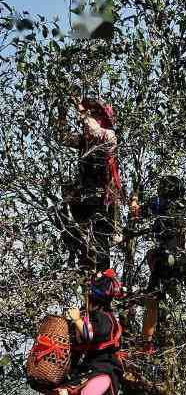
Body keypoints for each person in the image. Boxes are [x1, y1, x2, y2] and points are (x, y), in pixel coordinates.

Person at [129, 175, 186, 353]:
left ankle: (147, 344)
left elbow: (135, 213)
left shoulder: (158, 202)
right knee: (153, 258)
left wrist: (134, 197)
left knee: (152, 300)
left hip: (167, 259)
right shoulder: (183, 208)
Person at [56, 97, 124, 272]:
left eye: (94, 113)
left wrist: (81, 111)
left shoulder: (108, 136)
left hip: (101, 198)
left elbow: (95, 131)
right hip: (84, 197)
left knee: (100, 235)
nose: (89, 118)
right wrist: (62, 114)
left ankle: (104, 275)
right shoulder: (84, 142)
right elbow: (62, 137)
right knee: (66, 219)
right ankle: (82, 261)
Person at [65, 268, 124, 395]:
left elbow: (90, 336)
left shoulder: (105, 318)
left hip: (105, 368)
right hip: (88, 368)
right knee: (56, 394)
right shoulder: (93, 315)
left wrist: (76, 320)